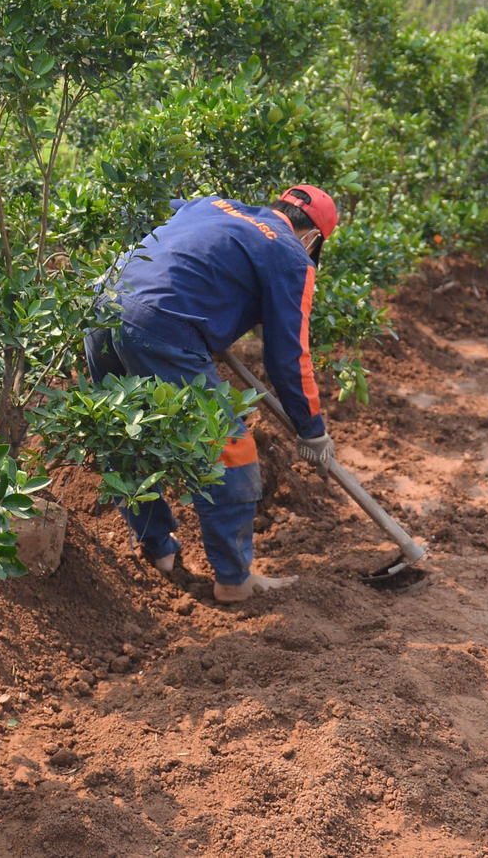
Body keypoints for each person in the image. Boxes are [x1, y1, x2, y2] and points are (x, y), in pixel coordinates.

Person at [85, 185, 340, 602]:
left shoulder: (211, 206)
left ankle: (159, 550)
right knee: (230, 448)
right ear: (313, 238)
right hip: (160, 325)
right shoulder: (293, 256)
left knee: (126, 431)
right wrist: (311, 429)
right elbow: (289, 356)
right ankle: (234, 581)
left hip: (102, 306)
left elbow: (165, 229)